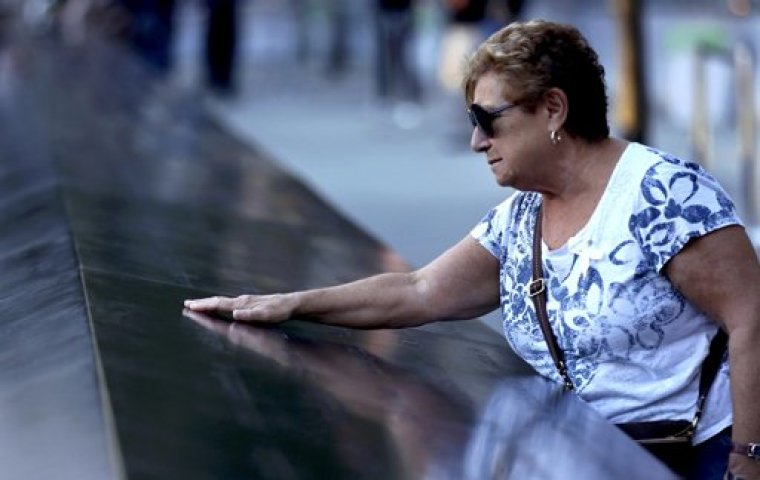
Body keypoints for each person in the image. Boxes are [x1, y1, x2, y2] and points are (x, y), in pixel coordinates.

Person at [184, 20, 760, 480]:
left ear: (554, 109)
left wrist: (747, 459)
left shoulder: (662, 194)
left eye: (488, 119)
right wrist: (290, 304)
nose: (475, 141)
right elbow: (419, 291)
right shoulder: (524, 215)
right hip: (584, 458)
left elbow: (752, 318)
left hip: (694, 458)